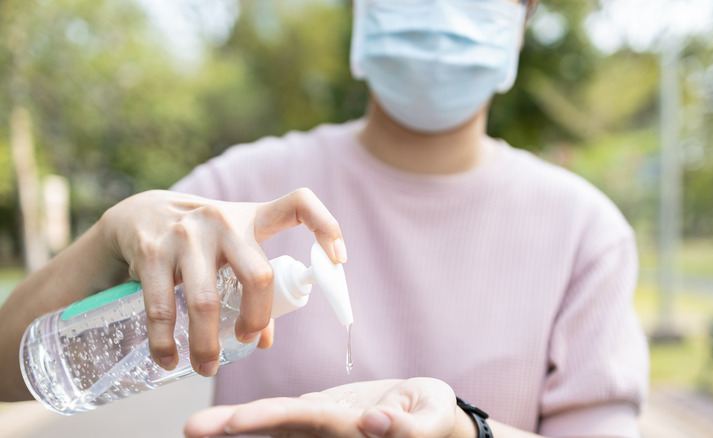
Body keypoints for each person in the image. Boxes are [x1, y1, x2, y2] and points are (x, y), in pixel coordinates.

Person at [0, 0, 649, 437]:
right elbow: (10, 374)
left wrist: (465, 430)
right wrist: (111, 240)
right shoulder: (242, 190)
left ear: (523, 16)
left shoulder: (581, 233)